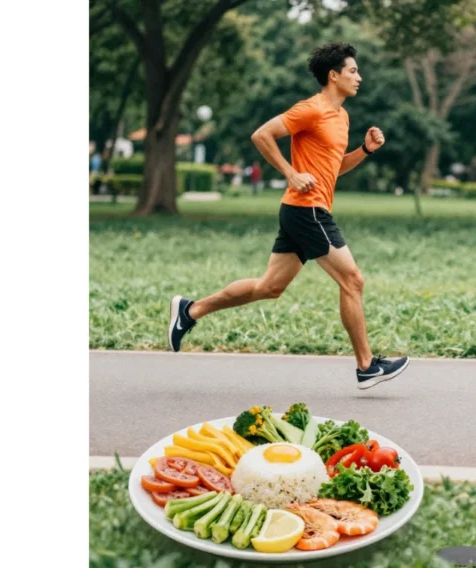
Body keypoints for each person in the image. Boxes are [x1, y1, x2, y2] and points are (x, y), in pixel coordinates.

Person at [167, 42, 410, 390]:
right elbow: (261, 135)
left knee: (270, 287)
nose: (359, 77)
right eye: (353, 71)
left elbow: (333, 169)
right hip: (307, 209)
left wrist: (365, 150)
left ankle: (190, 311)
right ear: (334, 75)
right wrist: (291, 173)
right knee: (353, 280)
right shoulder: (310, 109)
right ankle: (366, 365)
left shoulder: (341, 117)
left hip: (303, 210)